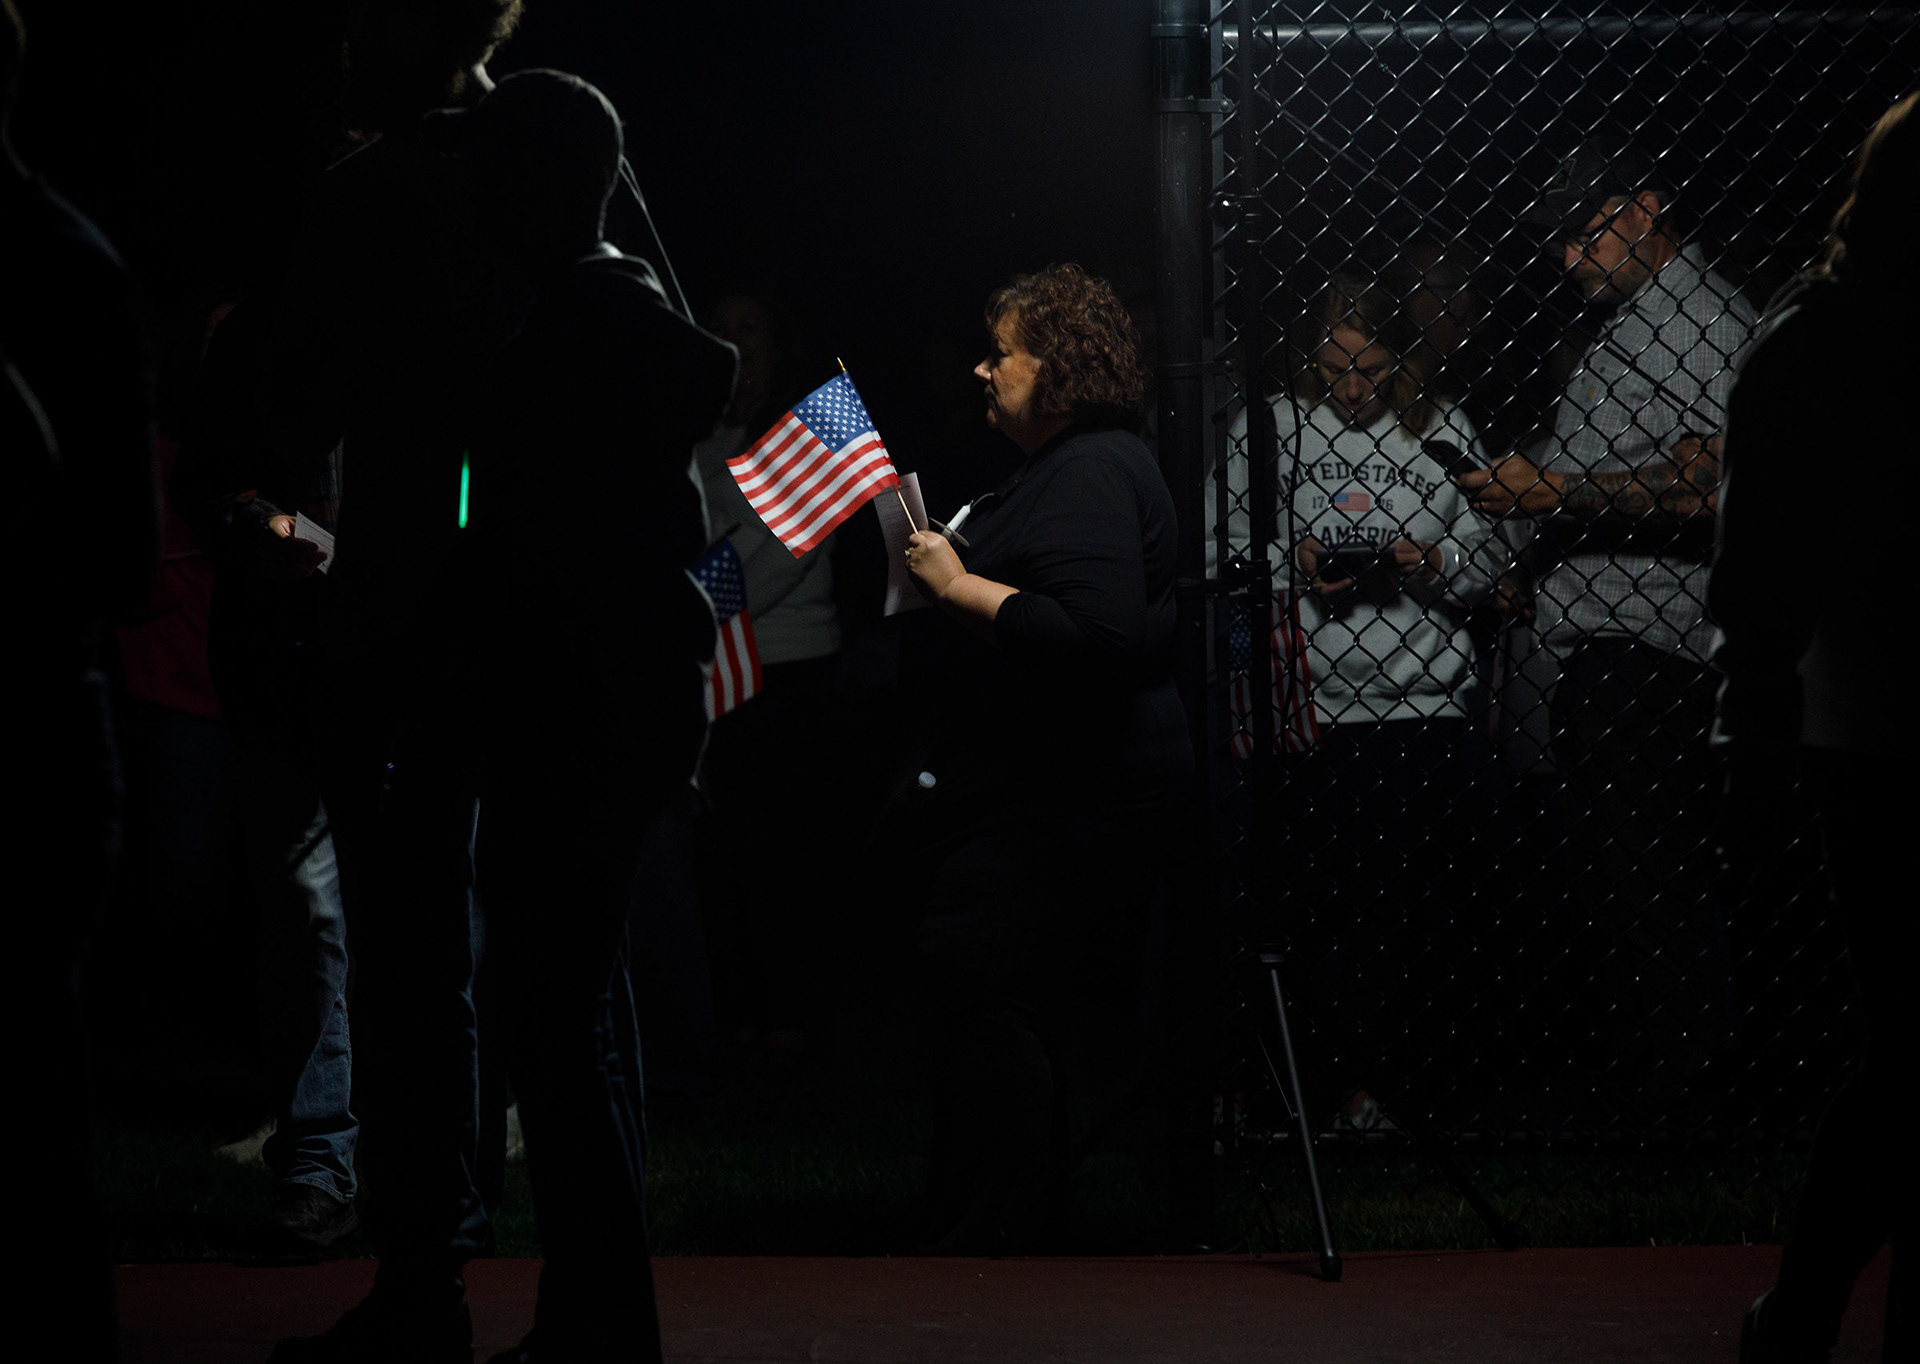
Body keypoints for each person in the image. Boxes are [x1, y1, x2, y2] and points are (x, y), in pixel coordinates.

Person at [1458, 140, 1757, 1122]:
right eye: (1557, 242)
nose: (1567, 260)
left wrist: (1554, 490)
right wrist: (1526, 545)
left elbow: (1715, 484)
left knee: (1650, 878)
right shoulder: (1633, 323)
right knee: (1617, 882)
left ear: (1645, 208)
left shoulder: (1699, 321)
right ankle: (1655, 1082)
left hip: (1653, 652)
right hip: (1603, 645)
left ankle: (1688, 1091)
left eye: (1584, 235)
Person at [903, 263, 1191, 1253]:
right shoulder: (1063, 468)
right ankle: (1001, 1221)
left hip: (1082, 793)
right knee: (988, 980)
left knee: (977, 965)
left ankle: (994, 1234)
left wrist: (957, 588)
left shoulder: (1090, 469)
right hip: (1054, 785)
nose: (982, 369)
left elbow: (1099, 641)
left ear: (1056, 364)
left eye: (1002, 352)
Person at [1212, 261, 1508, 1125]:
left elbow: (1494, 558)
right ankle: (1301, 1086)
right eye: (1335, 366)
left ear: (1403, 362)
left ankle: (1394, 1090)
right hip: (1306, 709)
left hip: (1418, 710)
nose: (1351, 387)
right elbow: (1216, 549)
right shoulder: (1270, 426)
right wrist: (1291, 565)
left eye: (1371, 370)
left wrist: (1433, 566)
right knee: (1308, 912)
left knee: (1410, 917)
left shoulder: (1443, 425)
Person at [1714, 92, 1913, 1364]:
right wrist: (1761, 731)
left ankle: (1800, 1316)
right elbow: (1761, 571)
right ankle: (1799, 1314)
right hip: (1878, 731)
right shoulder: (1823, 338)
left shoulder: (1817, 333)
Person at [3, 2, 158, 1353]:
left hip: (28, 728)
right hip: (50, 726)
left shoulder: (58, 266)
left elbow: (119, 555)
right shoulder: (73, 262)